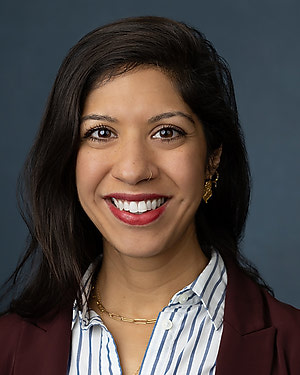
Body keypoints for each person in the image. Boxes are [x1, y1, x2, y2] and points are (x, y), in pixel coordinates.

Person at [0, 16, 299, 375]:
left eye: (166, 132)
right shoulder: (8, 347)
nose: (133, 169)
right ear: (68, 157)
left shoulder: (292, 348)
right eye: (101, 133)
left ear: (212, 158)